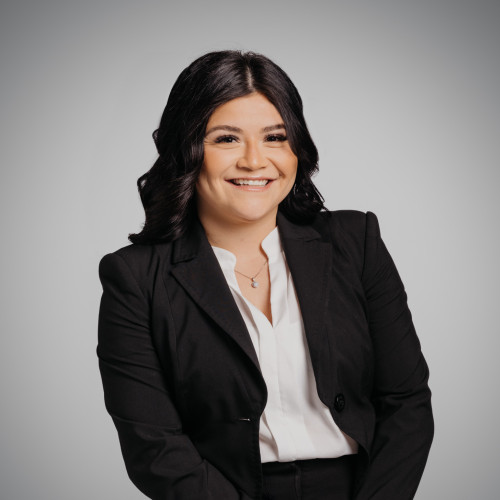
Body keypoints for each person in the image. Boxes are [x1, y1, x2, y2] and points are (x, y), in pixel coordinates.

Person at [97, 50, 434, 500]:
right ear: (187, 150)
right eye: (226, 139)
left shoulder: (357, 243)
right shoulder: (135, 278)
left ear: (297, 148)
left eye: (275, 137)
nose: (255, 161)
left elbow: (406, 403)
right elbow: (153, 447)